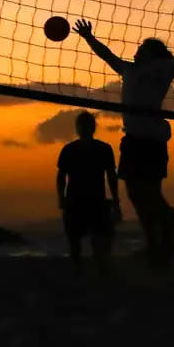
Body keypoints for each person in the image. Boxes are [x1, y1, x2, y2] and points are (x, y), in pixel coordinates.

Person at [73, 18, 174, 271]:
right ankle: (156, 240)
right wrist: (88, 37)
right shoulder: (129, 70)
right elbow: (107, 55)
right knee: (138, 194)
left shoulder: (163, 67)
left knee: (148, 193)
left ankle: (166, 230)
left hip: (151, 139)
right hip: (134, 139)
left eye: (140, 48)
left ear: (150, 52)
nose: (135, 51)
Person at [56, 110, 120, 276]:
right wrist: (61, 198)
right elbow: (61, 177)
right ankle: (89, 270)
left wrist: (116, 201)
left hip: (90, 201)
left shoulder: (100, 149)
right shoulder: (99, 149)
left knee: (92, 240)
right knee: (80, 241)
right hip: (79, 202)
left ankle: (94, 269)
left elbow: (111, 177)